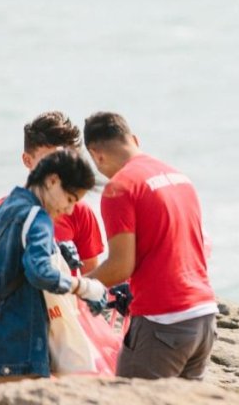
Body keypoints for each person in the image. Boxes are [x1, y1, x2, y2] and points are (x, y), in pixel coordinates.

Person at [83, 112, 217, 380]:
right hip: (204, 318)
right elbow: (204, 245)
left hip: (163, 323)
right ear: (133, 139)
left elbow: (121, 266)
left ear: (96, 155)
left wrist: (75, 287)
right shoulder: (179, 177)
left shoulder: (119, 188)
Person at [0, 150, 107, 387]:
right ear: (52, 181)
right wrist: (84, 286)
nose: (70, 210)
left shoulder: (3, 209)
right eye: (71, 199)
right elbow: (39, 271)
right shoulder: (37, 218)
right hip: (16, 354)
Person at [0, 111, 105, 275]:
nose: (59, 174)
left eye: (67, 162)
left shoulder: (79, 211)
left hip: (67, 300)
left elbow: (91, 276)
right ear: (27, 160)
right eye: (50, 161)